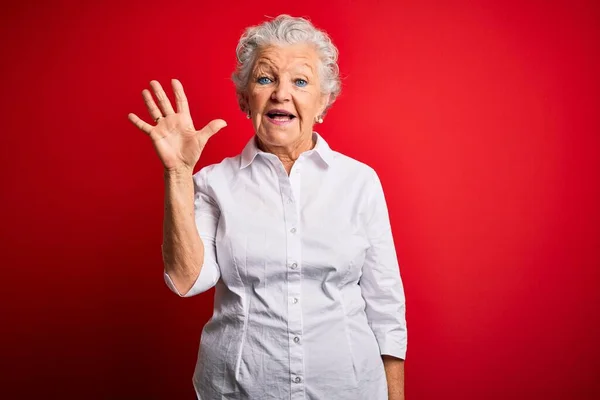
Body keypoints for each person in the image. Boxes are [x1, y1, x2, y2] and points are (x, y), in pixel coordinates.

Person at [128, 14, 407, 400]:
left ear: (323, 100)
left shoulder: (359, 182)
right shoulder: (214, 183)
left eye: (301, 81)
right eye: (265, 78)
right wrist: (178, 173)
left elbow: (385, 305)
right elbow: (187, 280)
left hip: (349, 388)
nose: (280, 93)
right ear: (245, 98)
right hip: (237, 390)